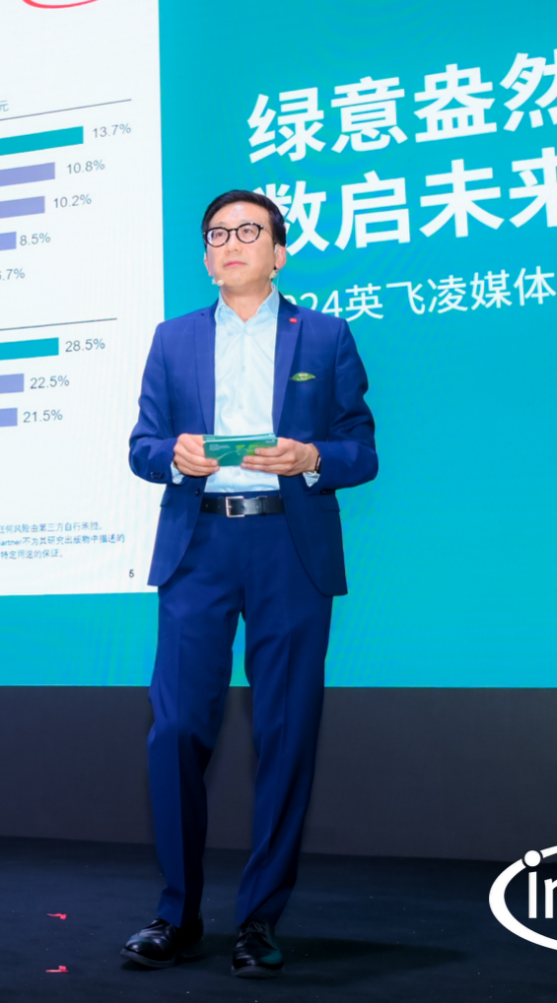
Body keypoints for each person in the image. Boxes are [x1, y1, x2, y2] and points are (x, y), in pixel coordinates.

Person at [120, 189, 377, 979]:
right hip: (198, 542)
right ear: (207, 257)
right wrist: (174, 455)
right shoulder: (172, 339)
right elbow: (141, 445)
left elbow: (362, 448)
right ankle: (177, 913)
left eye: (247, 231)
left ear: (279, 251)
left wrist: (312, 457)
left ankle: (259, 919)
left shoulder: (325, 335)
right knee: (175, 730)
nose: (229, 243)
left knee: (286, 731)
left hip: (286, 544)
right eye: (216, 235)